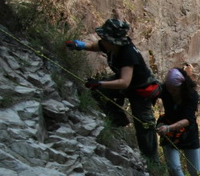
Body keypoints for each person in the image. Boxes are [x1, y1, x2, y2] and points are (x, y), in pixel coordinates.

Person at [66, 19, 160, 161]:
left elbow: (124, 83)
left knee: (144, 127)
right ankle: (118, 119)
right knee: (98, 93)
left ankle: (152, 162)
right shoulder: (111, 46)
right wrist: (79, 45)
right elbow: (93, 46)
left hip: (141, 91)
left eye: (104, 38)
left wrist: (100, 83)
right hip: (126, 84)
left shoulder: (128, 53)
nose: (101, 40)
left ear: (113, 40)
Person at [156, 64, 200, 176]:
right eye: (169, 87)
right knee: (174, 167)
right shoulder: (165, 90)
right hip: (169, 131)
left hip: (187, 134)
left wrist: (168, 128)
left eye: (173, 88)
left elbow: (188, 119)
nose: (170, 91)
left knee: (196, 172)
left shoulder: (191, 96)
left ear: (180, 87)